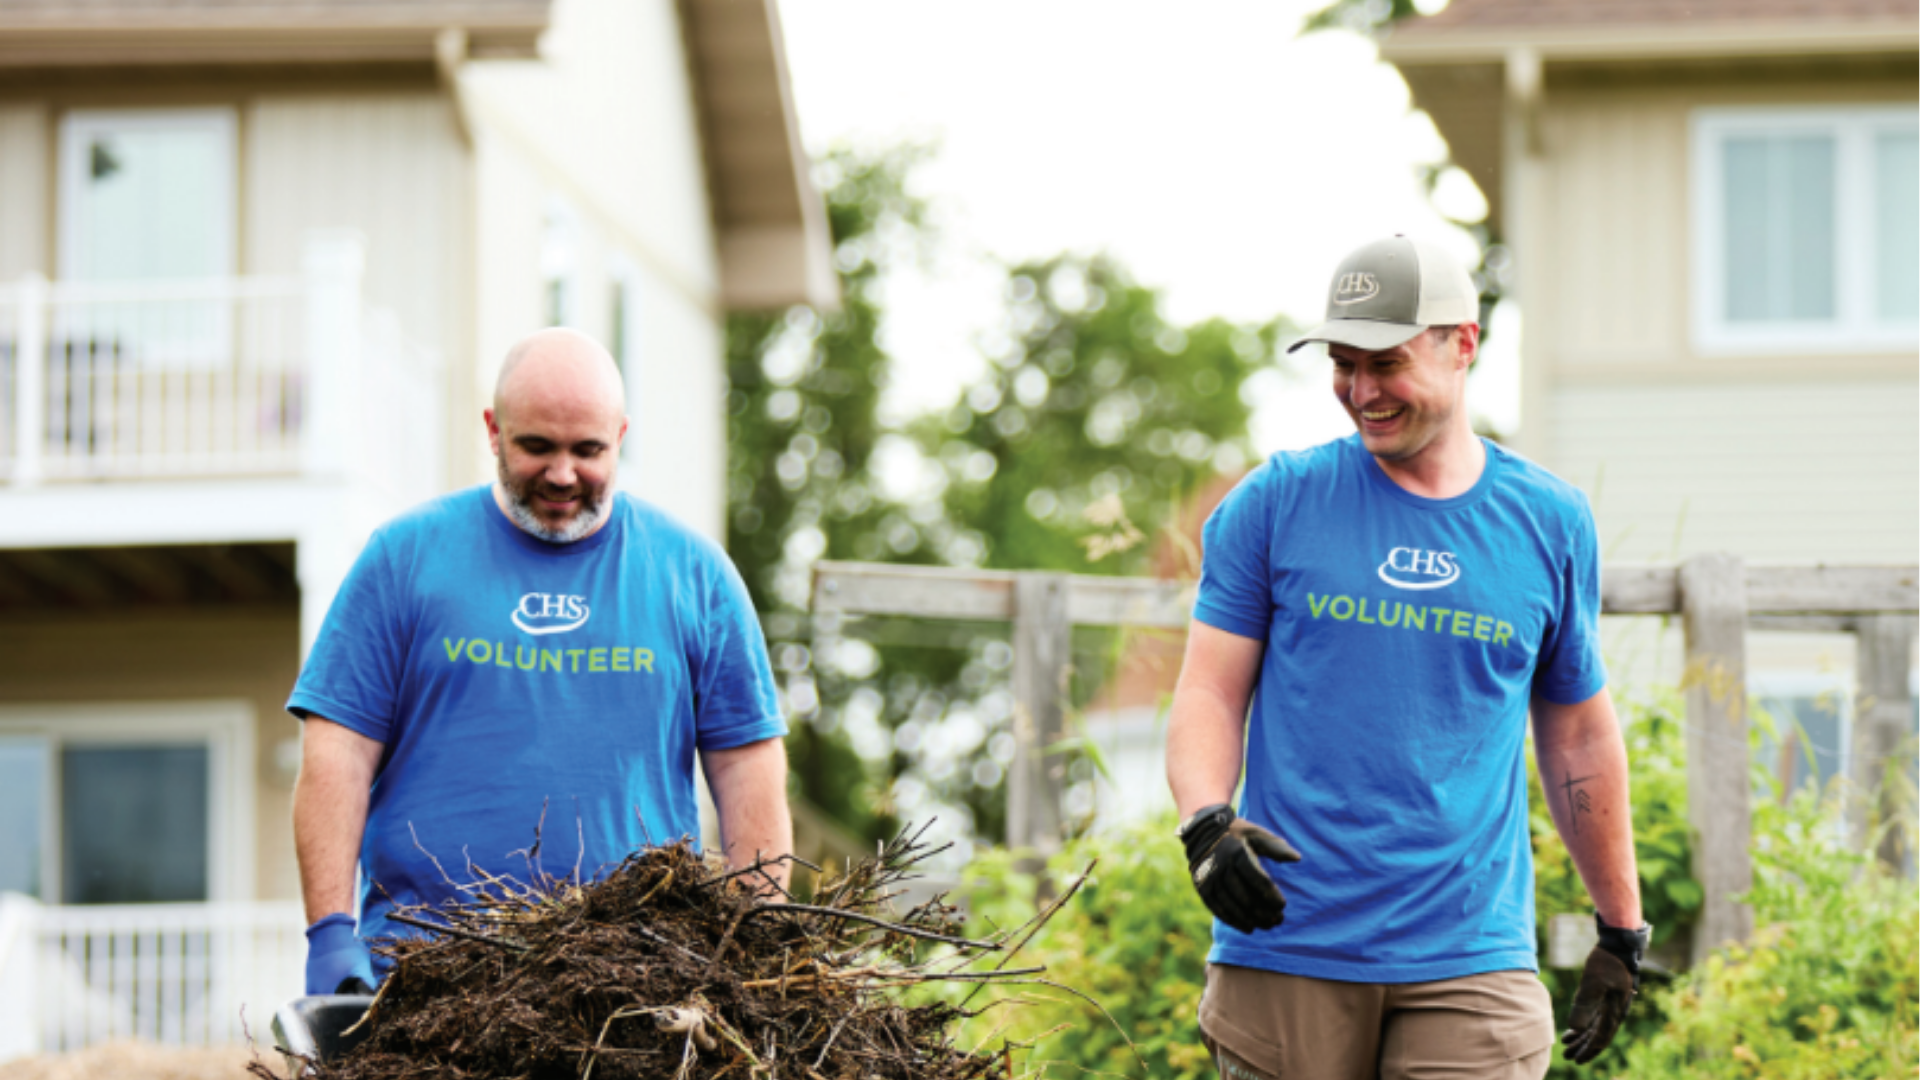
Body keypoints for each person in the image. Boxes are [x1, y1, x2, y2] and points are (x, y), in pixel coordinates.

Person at [1165, 236, 1647, 1079]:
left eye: (1384, 363)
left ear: (1463, 343)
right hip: (1288, 945)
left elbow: (1576, 732)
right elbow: (1208, 691)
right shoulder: (1276, 504)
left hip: (1472, 955)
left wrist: (1621, 928)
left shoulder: (1550, 523)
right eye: (1343, 365)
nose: (1361, 392)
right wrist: (1205, 824)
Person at [290, 327, 791, 996]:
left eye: (588, 450)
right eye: (537, 447)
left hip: (637, 989)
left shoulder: (693, 574)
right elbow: (338, 752)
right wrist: (330, 932)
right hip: (424, 980)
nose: (562, 475)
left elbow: (746, 765)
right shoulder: (405, 559)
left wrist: (757, 943)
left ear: (621, 435)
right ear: (494, 430)